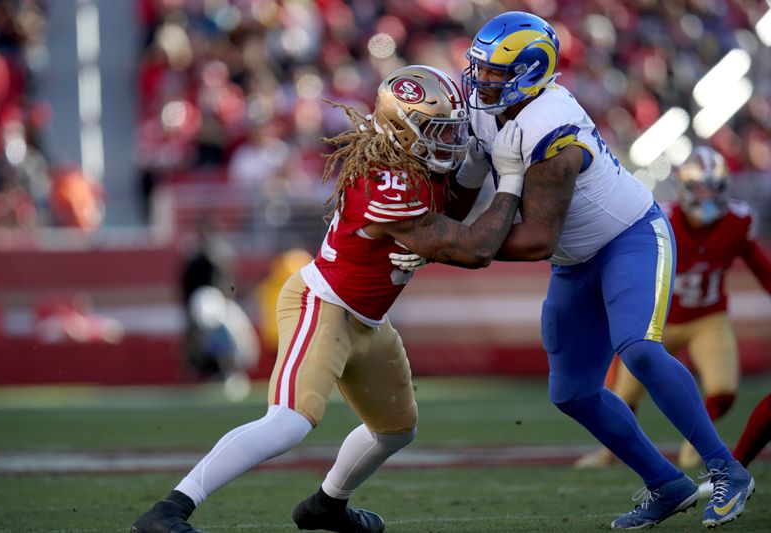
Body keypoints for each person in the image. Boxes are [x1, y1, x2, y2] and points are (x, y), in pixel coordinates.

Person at [131, 64, 525, 533]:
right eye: (436, 129)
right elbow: (471, 247)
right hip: (324, 306)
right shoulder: (388, 179)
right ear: (401, 127)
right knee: (288, 423)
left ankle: (327, 505)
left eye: (452, 130)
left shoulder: (412, 165)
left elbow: (449, 208)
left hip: (368, 321)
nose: (448, 141)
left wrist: (476, 167)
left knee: (397, 430)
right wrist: (511, 178)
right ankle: (169, 509)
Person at [442, 11, 754, 530]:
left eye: (496, 72)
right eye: (480, 69)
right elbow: (462, 192)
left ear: (530, 71)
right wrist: (420, 223)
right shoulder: (485, 112)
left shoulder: (552, 127)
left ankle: (727, 471)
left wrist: (452, 244)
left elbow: (537, 238)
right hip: (575, 262)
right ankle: (668, 483)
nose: (482, 81)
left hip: (629, 238)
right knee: (571, 392)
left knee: (638, 349)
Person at [575, 146, 771, 470]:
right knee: (623, 395)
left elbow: (762, 269)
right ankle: (612, 452)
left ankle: (696, 445)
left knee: (723, 391)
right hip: (658, 319)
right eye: (700, 188)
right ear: (685, 188)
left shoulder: (738, 221)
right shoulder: (660, 219)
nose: (708, 196)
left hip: (709, 317)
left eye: (715, 188)